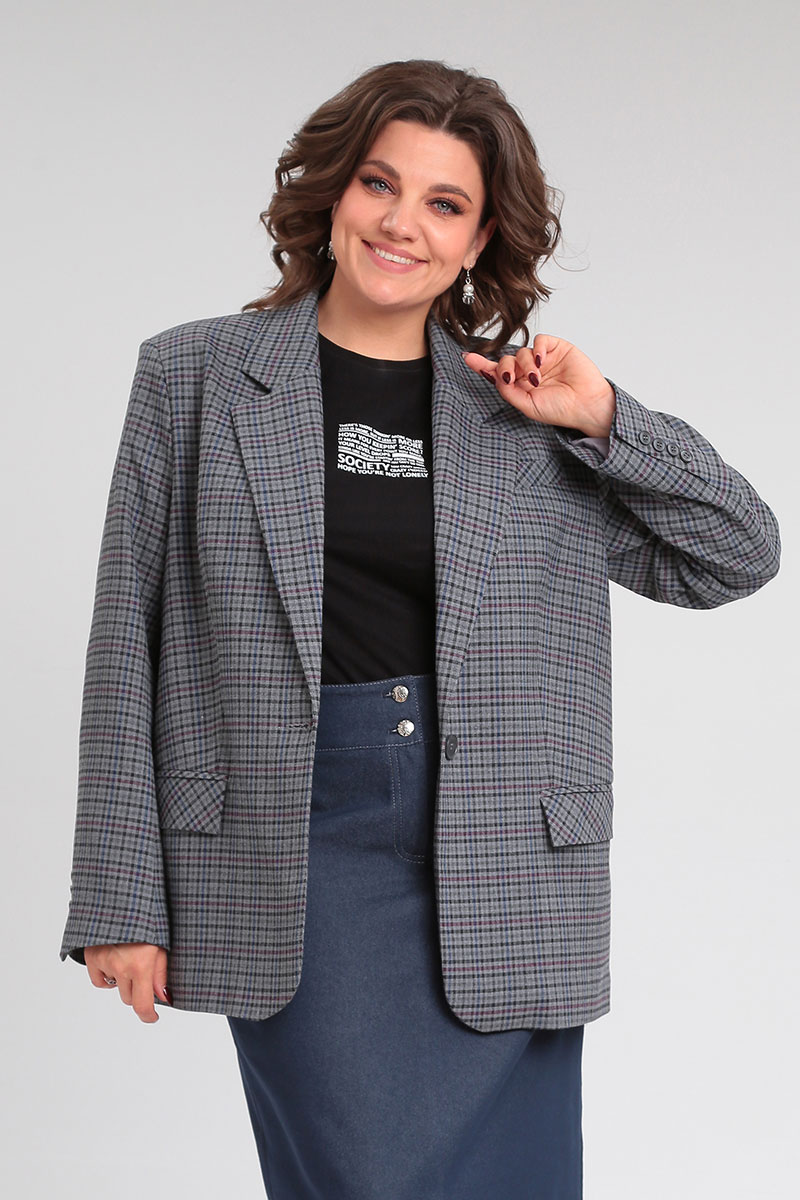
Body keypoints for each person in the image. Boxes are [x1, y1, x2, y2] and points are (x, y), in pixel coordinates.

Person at [59, 58, 781, 1200]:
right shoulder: (193, 377)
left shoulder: (522, 415)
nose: (402, 224)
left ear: (478, 237)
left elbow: (737, 553)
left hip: (505, 855)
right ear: (332, 193)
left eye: (444, 203)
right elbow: (123, 646)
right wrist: (119, 896)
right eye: (378, 185)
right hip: (298, 847)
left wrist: (602, 416)